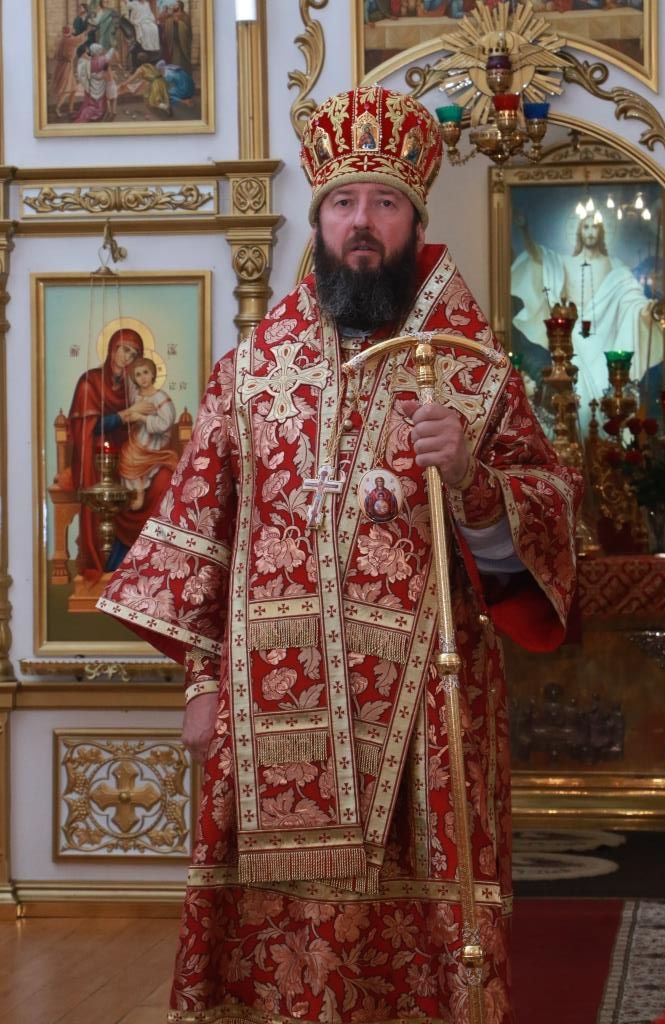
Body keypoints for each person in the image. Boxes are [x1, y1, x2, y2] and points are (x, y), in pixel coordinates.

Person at [99, 87, 582, 1024]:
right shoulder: (251, 373)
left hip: (427, 720)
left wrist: (474, 480)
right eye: (343, 203)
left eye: (384, 203)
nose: (362, 223)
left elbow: (552, 525)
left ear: (415, 221)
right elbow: (200, 536)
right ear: (319, 222)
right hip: (269, 711)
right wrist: (201, 682)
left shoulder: (474, 373)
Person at [512, 210, 662, 428]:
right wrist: (525, 230)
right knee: (576, 396)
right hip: (575, 343)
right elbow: (538, 256)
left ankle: (609, 439)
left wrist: (645, 310)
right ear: (579, 232)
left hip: (605, 341)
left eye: (595, 227)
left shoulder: (615, 266)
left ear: (601, 232)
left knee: (607, 392)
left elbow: (633, 298)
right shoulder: (566, 262)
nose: (590, 232)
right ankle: (577, 439)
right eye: (586, 227)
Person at [68, 327, 173, 574]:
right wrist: (126, 415)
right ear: (112, 348)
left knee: (165, 480)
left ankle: (149, 559)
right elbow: (89, 427)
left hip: (132, 452)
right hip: (97, 457)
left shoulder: (133, 387)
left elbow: (160, 419)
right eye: (124, 349)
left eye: (134, 354)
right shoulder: (90, 381)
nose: (127, 357)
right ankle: (112, 560)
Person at [118, 356, 179, 511]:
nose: (143, 377)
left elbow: (165, 423)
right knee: (126, 456)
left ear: (152, 374)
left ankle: (139, 493)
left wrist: (141, 417)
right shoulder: (135, 396)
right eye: (138, 374)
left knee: (132, 457)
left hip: (155, 440)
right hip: (137, 436)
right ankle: (135, 491)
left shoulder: (160, 397)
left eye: (145, 372)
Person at [51, 26, 89, 117]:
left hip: (63, 66)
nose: (73, 30)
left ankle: (70, 110)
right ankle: (57, 108)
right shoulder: (69, 40)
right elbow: (79, 39)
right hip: (66, 67)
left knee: (73, 89)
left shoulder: (63, 40)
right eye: (71, 30)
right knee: (66, 90)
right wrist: (87, 31)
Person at [159, 1, 192, 73]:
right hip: (173, 45)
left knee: (181, 63)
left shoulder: (185, 17)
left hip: (182, 46)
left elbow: (188, 31)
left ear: (180, 8)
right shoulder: (170, 17)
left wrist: (178, 23)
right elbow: (166, 25)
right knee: (174, 61)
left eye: (176, 7)